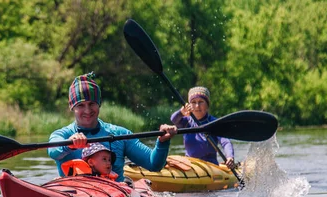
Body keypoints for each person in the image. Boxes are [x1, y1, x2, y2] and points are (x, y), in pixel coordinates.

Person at [48, 72, 177, 182]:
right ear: (72, 108)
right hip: (75, 194)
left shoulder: (120, 134)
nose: (87, 110)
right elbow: (53, 151)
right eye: (81, 105)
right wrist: (69, 144)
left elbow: (153, 164)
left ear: (99, 104)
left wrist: (162, 142)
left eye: (92, 104)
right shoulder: (62, 135)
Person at [169, 86, 236, 170]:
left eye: (201, 102)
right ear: (189, 105)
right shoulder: (186, 122)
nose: (197, 106)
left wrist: (230, 157)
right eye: (193, 102)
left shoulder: (214, 123)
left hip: (210, 166)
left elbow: (226, 142)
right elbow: (173, 119)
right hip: (189, 164)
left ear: (207, 105)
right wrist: (181, 112)